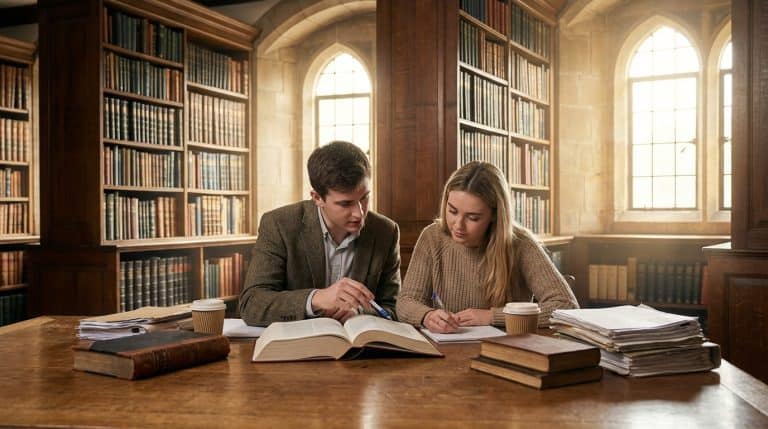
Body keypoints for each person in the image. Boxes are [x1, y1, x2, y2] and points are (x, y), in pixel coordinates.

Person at [396, 161, 578, 333]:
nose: (458, 225)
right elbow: (406, 302)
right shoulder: (432, 237)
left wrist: (493, 316)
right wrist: (427, 316)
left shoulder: (520, 243)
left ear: (495, 215)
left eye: (472, 217)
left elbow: (566, 306)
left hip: (508, 352)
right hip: (447, 351)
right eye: (452, 211)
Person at [239, 141, 401, 326]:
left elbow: (393, 308)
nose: (359, 213)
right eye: (345, 204)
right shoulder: (279, 224)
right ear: (317, 198)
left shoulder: (386, 231)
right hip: (296, 348)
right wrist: (316, 299)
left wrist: (360, 312)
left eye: (364, 198)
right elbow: (252, 304)